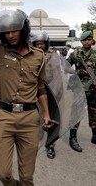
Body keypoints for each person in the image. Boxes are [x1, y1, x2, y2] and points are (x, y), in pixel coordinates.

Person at [0, 0, 53, 186]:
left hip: (29, 118)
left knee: (27, 177)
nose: (10, 35)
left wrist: (46, 114)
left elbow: (40, 87)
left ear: (24, 29)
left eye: (14, 30)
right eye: (6, 32)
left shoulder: (39, 56)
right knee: (3, 173)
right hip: (5, 117)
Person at [67, 31, 96, 153]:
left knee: (94, 113)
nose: (87, 41)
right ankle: (73, 138)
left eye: (89, 39)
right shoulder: (75, 54)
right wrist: (75, 72)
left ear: (92, 41)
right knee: (76, 113)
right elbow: (65, 66)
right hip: (79, 89)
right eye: (85, 40)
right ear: (81, 41)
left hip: (94, 90)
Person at [31, 31, 57, 159]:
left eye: (42, 43)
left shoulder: (53, 55)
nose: (40, 46)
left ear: (46, 44)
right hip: (35, 89)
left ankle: (50, 144)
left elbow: (57, 72)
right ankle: (36, 139)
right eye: (37, 43)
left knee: (50, 116)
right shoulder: (30, 55)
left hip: (51, 88)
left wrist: (57, 89)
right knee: (35, 115)